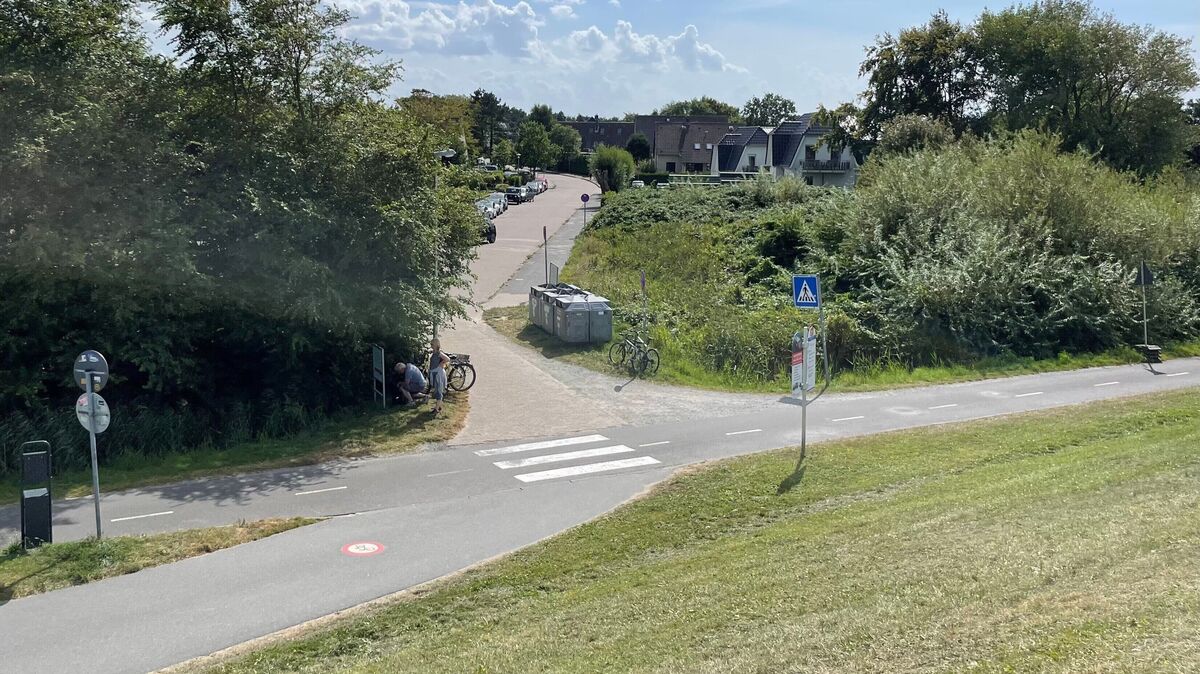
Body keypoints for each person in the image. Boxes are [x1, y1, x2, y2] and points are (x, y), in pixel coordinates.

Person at [428, 338, 451, 416]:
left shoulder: (439, 353)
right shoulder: (434, 353)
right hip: (434, 373)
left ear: (436, 345)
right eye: (431, 344)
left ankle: (436, 409)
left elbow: (448, 359)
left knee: (439, 391)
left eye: (432, 344)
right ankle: (439, 406)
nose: (431, 346)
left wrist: (442, 363)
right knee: (437, 390)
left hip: (438, 373)